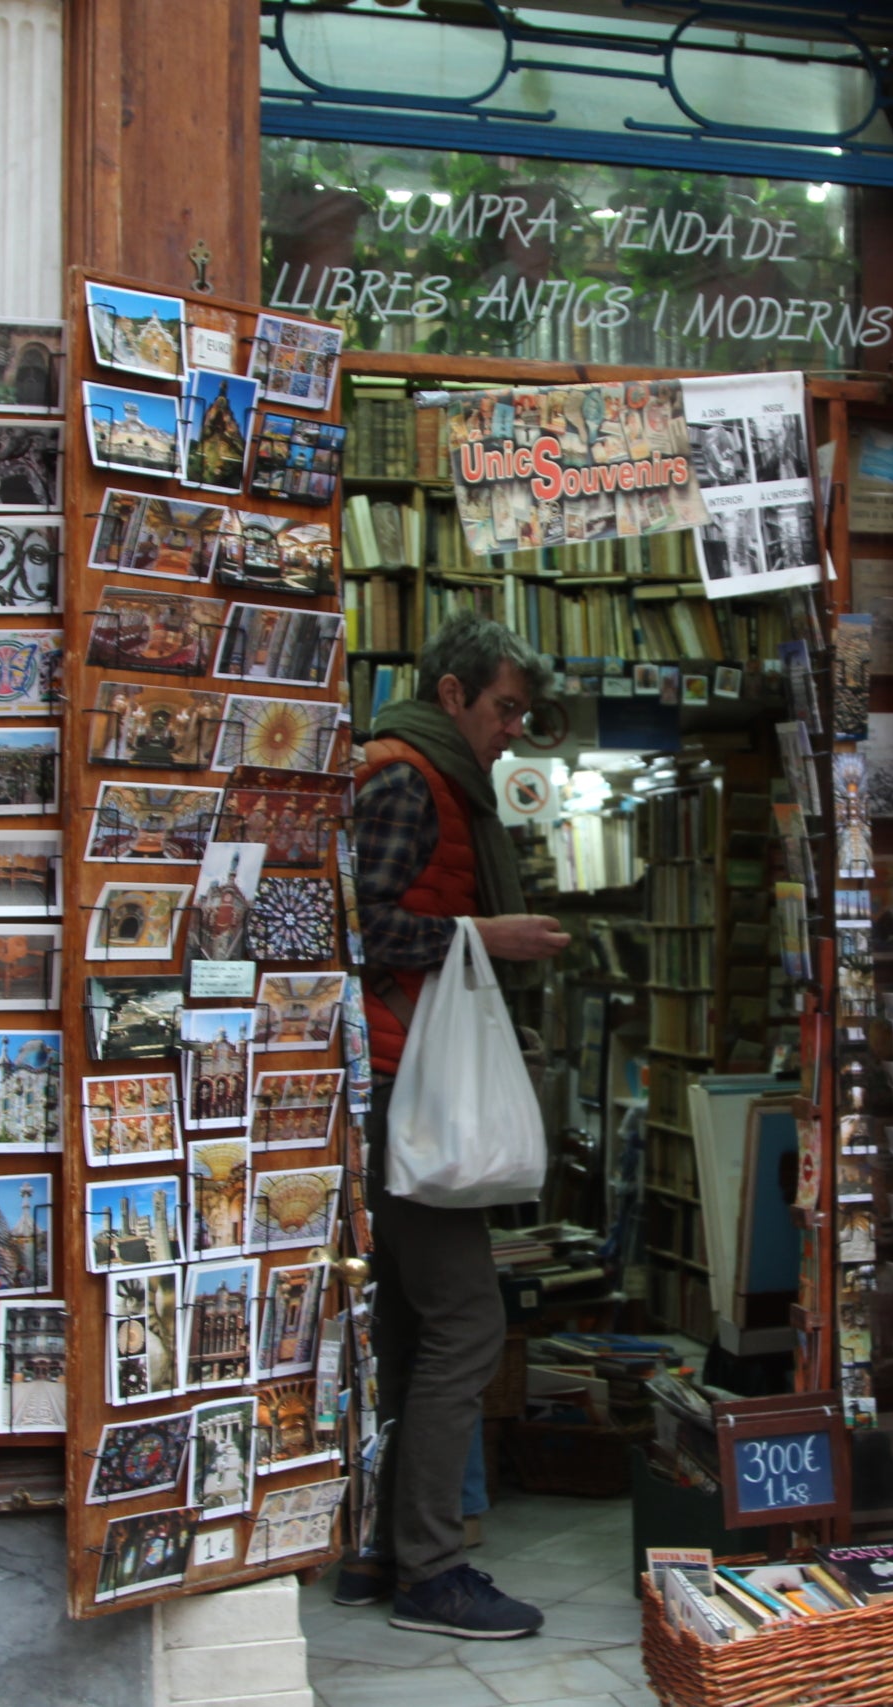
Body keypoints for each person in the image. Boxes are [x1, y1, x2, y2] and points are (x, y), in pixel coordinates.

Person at [334, 613, 569, 1639]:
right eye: (503, 706)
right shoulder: (404, 776)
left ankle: (379, 1551)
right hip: (401, 1086)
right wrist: (485, 933)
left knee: (405, 1325)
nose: (513, 728)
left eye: (521, 710)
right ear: (449, 694)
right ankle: (429, 1571)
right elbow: (357, 922)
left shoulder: (431, 778)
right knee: (467, 1321)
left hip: (399, 1078)